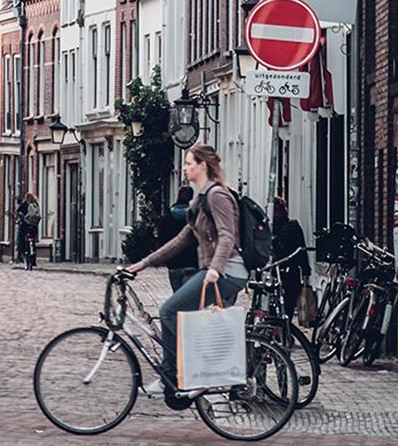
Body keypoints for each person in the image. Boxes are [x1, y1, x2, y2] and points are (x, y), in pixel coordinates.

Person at [127, 144, 248, 397]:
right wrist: (144, 263)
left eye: (189, 163)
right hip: (217, 271)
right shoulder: (200, 200)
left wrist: (215, 269)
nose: (184, 168)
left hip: (227, 272)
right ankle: (194, 373)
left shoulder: (217, 196)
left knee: (169, 311)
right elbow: (183, 239)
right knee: (186, 318)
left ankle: (176, 375)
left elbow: (227, 237)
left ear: (203, 166)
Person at [272, 196, 311, 320]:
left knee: (270, 306)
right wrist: (306, 270)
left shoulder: (266, 227)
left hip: (271, 273)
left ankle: (273, 332)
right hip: (290, 273)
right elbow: (301, 250)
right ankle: (285, 332)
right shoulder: (293, 226)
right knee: (288, 307)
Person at [157, 185, 198, 293]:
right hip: (192, 262)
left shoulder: (168, 217)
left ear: (177, 198)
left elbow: (162, 239)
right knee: (188, 297)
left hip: (174, 264)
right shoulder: (196, 217)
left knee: (178, 297)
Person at [17, 193, 40, 262]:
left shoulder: (24, 205)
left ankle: (23, 253)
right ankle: (33, 259)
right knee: (33, 240)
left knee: (21, 237)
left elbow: (18, 212)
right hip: (34, 226)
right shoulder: (36, 205)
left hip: (25, 225)